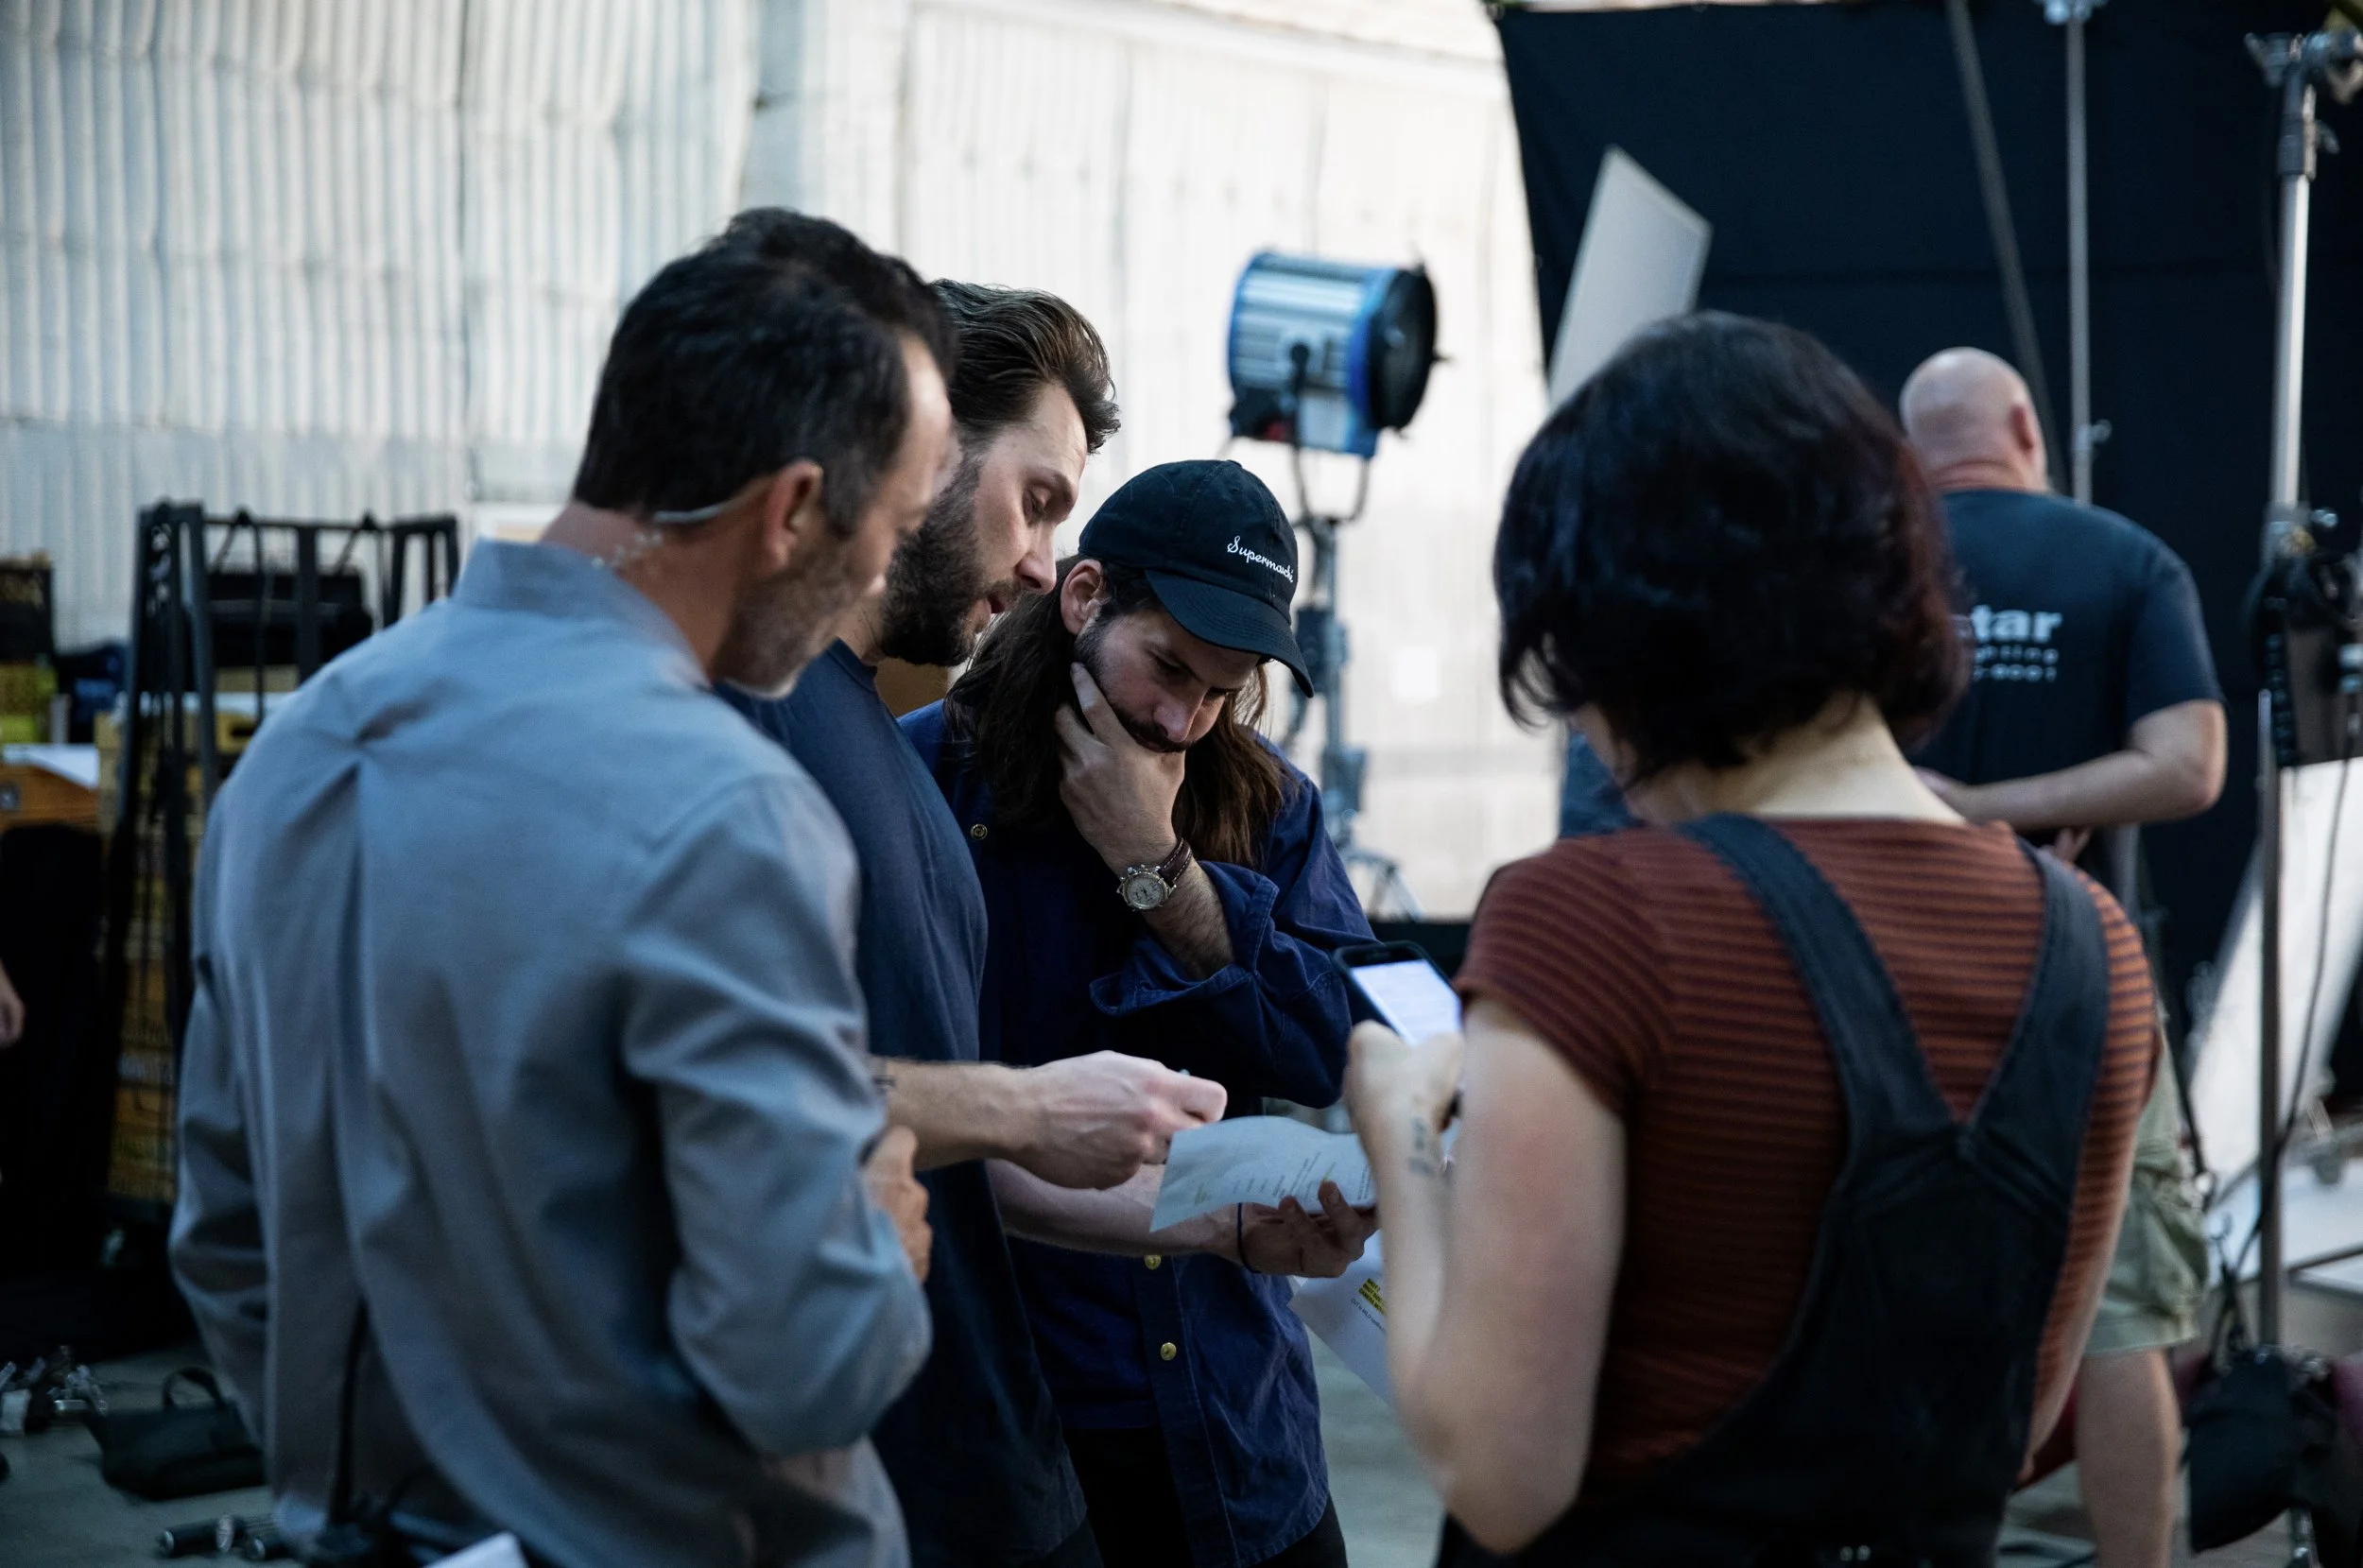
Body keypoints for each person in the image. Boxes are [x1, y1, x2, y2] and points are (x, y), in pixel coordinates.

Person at [171, 211, 955, 1568]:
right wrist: (875, 1250)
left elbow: (230, 1241)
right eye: (887, 528)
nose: (882, 576)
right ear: (790, 511)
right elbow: (804, 1365)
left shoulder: (295, 753)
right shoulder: (733, 812)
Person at [1346, 313, 2159, 1562]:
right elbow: (2014, 1416)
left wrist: (1400, 1125)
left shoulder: (1592, 918)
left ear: (1617, 629)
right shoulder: (2096, 951)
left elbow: (1499, 1469)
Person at [719, 275, 1262, 1568]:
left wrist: (1212, 1215)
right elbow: (709, 1097)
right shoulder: (750, 738)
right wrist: (1026, 1102)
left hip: (998, 1468)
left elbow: (948, 1165)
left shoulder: (871, 746)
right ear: (920, 437)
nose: (1040, 559)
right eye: (1037, 498)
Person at [904, 459, 1376, 1568]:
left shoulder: (1262, 797)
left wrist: (1161, 872)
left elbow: (1342, 1048)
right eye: (1165, 666)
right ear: (1082, 598)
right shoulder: (920, 782)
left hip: (1234, 1427)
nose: (1183, 717)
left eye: (1222, 689)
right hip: (1019, 1427)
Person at [1901, 345, 2223, 1568]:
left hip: (1886, 973)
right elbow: (2191, 765)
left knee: (1900, 1286)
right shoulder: (2126, 556)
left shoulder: (1863, 565)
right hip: (2083, 970)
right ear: (2027, 424)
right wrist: (2009, 804)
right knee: (2124, 1311)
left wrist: (1954, 806)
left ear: (1911, 442)